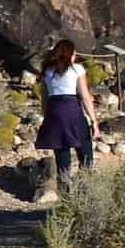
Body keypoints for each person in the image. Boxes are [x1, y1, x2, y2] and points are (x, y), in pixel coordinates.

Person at [34, 37, 98, 198]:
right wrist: (94, 122)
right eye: (74, 53)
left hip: (54, 113)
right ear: (69, 54)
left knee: (62, 155)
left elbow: (44, 98)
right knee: (85, 153)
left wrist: (47, 118)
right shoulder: (77, 69)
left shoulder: (47, 71)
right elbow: (85, 96)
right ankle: (86, 192)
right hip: (72, 111)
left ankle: (64, 195)